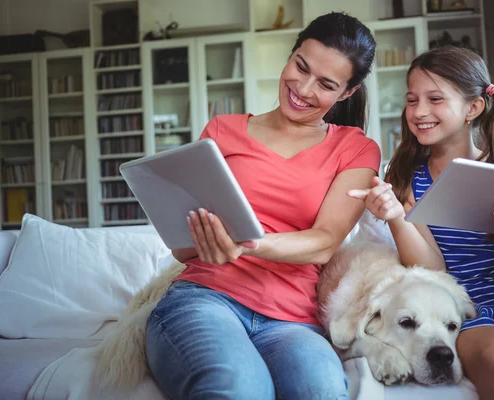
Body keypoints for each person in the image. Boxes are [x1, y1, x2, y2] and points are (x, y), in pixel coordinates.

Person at [145, 12, 381, 400]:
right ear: (290, 56)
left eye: (325, 84)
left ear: (346, 93)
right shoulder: (224, 130)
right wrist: (200, 233)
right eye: (300, 67)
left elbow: (324, 241)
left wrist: (248, 242)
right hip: (205, 299)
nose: (302, 88)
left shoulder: (355, 148)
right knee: (239, 389)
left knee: (321, 391)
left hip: (292, 323)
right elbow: (183, 249)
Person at [348, 45, 494, 399]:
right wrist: (398, 219)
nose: (419, 111)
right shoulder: (405, 180)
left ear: (473, 108)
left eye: (435, 99)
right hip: (462, 310)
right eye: (412, 100)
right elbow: (432, 269)